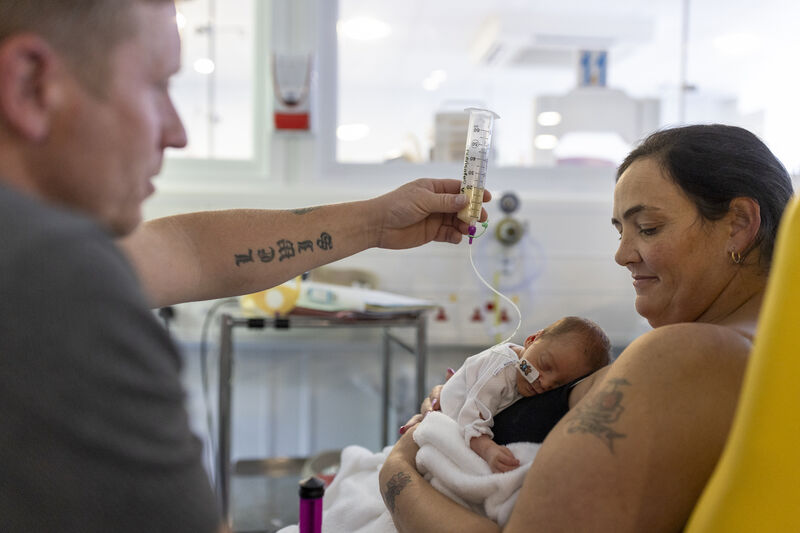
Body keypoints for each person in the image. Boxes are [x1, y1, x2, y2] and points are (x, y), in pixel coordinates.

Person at [0, 2, 488, 533]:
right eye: (155, 86)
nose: (177, 131)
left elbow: (188, 249)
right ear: (30, 85)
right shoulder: (52, 278)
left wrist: (373, 222)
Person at [379, 123, 794, 532]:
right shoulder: (762, 354)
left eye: (648, 228)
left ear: (738, 224)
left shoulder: (687, 356)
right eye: (620, 232)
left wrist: (396, 468)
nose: (622, 255)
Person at [420, 316, 610, 473]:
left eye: (558, 385)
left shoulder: (526, 374)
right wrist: (488, 449)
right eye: (545, 365)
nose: (544, 383)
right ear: (531, 340)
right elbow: (471, 414)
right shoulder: (503, 367)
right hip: (450, 419)